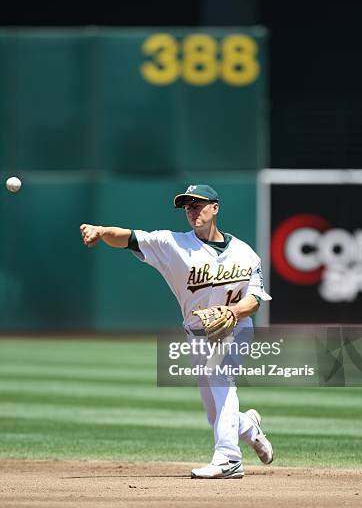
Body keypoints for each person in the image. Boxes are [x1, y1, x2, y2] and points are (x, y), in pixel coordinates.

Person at [80, 184, 273, 479]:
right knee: (215, 410)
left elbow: (255, 300)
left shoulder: (245, 253)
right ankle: (248, 426)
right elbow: (131, 238)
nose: (192, 211)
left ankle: (228, 458)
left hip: (236, 329)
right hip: (196, 334)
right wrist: (102, 230)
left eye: (198, 204)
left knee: (221, 378)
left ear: (215, 208)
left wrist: (231, 312)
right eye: (187, 206)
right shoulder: (173, 245)